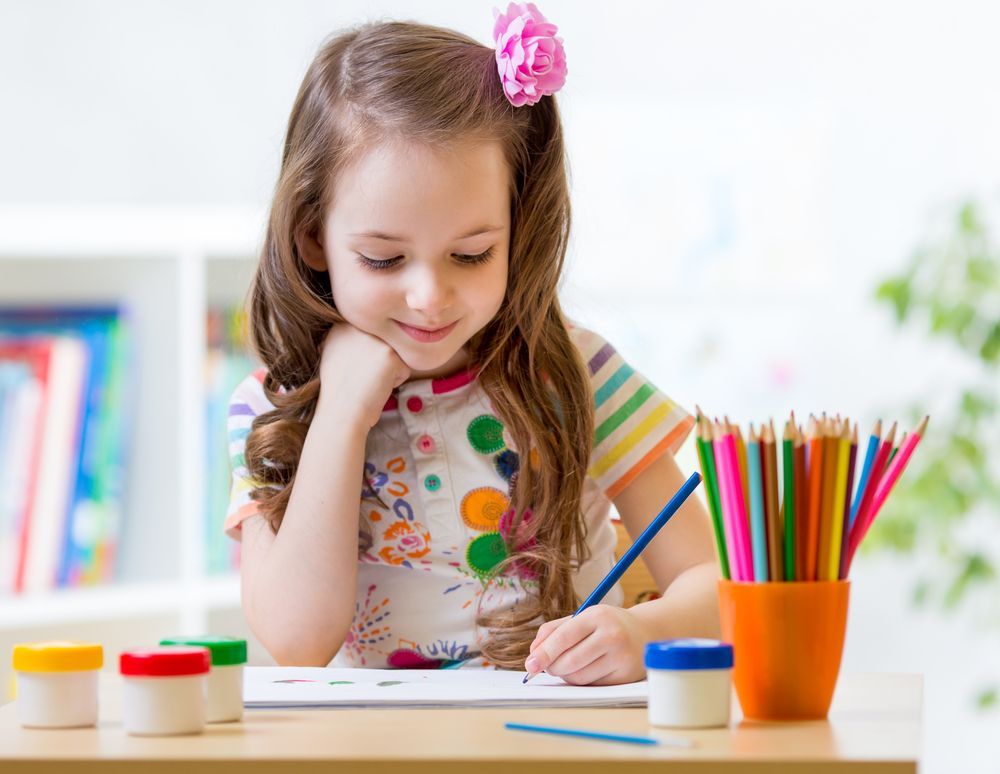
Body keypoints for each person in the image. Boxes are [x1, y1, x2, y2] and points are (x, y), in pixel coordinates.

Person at [226, 3, 720, 686]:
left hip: (554, 743)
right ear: (313, 235)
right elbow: (297, 640)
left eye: (470, 254)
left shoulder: (577, 373)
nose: (429, 296)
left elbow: (717, 586)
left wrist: (643, 631)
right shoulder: (269, 410)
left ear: (517, 227)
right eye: (382, 259)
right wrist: (341, 408)